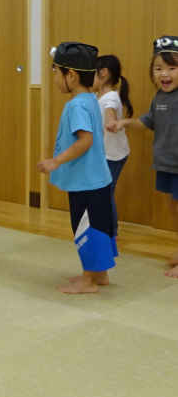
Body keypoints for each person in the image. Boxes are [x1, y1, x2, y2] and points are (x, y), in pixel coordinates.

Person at [37, 42, 116, 294]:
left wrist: (55, 161)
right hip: (98, 179)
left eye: (56, 73)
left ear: (71, 75)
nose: (55, 79)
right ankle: (100, 274)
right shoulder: (90, 98)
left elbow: (86, 140)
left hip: (86, 181)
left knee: (86, 229)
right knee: (100, 227)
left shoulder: (76, 105)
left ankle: (88, 279)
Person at [109, 36, 178, 277]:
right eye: (158, 68)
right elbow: (147, 121)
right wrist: (124, 122)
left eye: (172, 67)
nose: (164, 74)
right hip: (166, 164)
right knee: (174, 208)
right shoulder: (159, 98)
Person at [93, 55, 133, 237]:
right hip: (104, 153)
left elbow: (110, 112)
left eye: (90, 73)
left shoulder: (110, 97)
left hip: (113, 155)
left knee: (106, 192)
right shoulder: (97, 95)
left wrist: (111, 122)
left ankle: (112, 233)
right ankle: (103, 227)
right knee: (100, 191)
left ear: (103, 73)